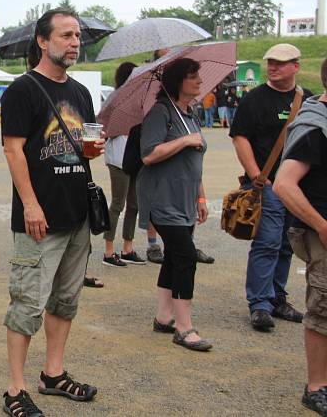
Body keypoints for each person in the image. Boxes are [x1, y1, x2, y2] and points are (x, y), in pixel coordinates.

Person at [0, 9, 103, 417]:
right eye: (66, 35)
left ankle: (53, 374)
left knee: (65, 300)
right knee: (27, 302)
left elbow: (85, 142)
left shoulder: (80, 93)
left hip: (77, 213)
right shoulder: (22, 90)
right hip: (39, 216)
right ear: (43, 41)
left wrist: (91, 150)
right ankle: (14, 389)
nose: (75, 42)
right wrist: (29, 203)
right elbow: (13, 148)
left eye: (77, 35)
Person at [230, 43, 308, 332]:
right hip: (268, 185)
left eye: (281, 63)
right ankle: (260, 304)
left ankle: (277, 298)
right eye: (270, 62)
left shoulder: (306, 99)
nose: (273, 67)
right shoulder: (254, 100)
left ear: (295, 66)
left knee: (288, 243)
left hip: (298, 187)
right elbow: (239, 138)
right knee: (267, 242)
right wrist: (258, 178)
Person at [138, 57, 212, 351]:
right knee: (185, 257)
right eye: (193, 76)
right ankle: (184, 327)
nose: (199, 81)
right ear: (178, 81)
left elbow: (194, 162)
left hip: (185, 200)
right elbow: (149, 155)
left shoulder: (190, 114)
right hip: (163, 199)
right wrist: (183, 141)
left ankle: (163, 317)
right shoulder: (161, 112)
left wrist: (201, 196)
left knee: (172, 257)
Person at [274, 58, 327, 416]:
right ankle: (316, 387)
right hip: (320, 234)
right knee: (323, 309)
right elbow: (283, 184)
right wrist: (323, 226)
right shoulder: (315, 128)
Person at [103, 62, 145, 267]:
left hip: (136, 157)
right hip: (118, 157)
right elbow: (104, 126)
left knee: (134, 204)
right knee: (118, 204)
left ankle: (128, 248)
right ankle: (108, 251)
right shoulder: (115, 98)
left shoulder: (141, 100)